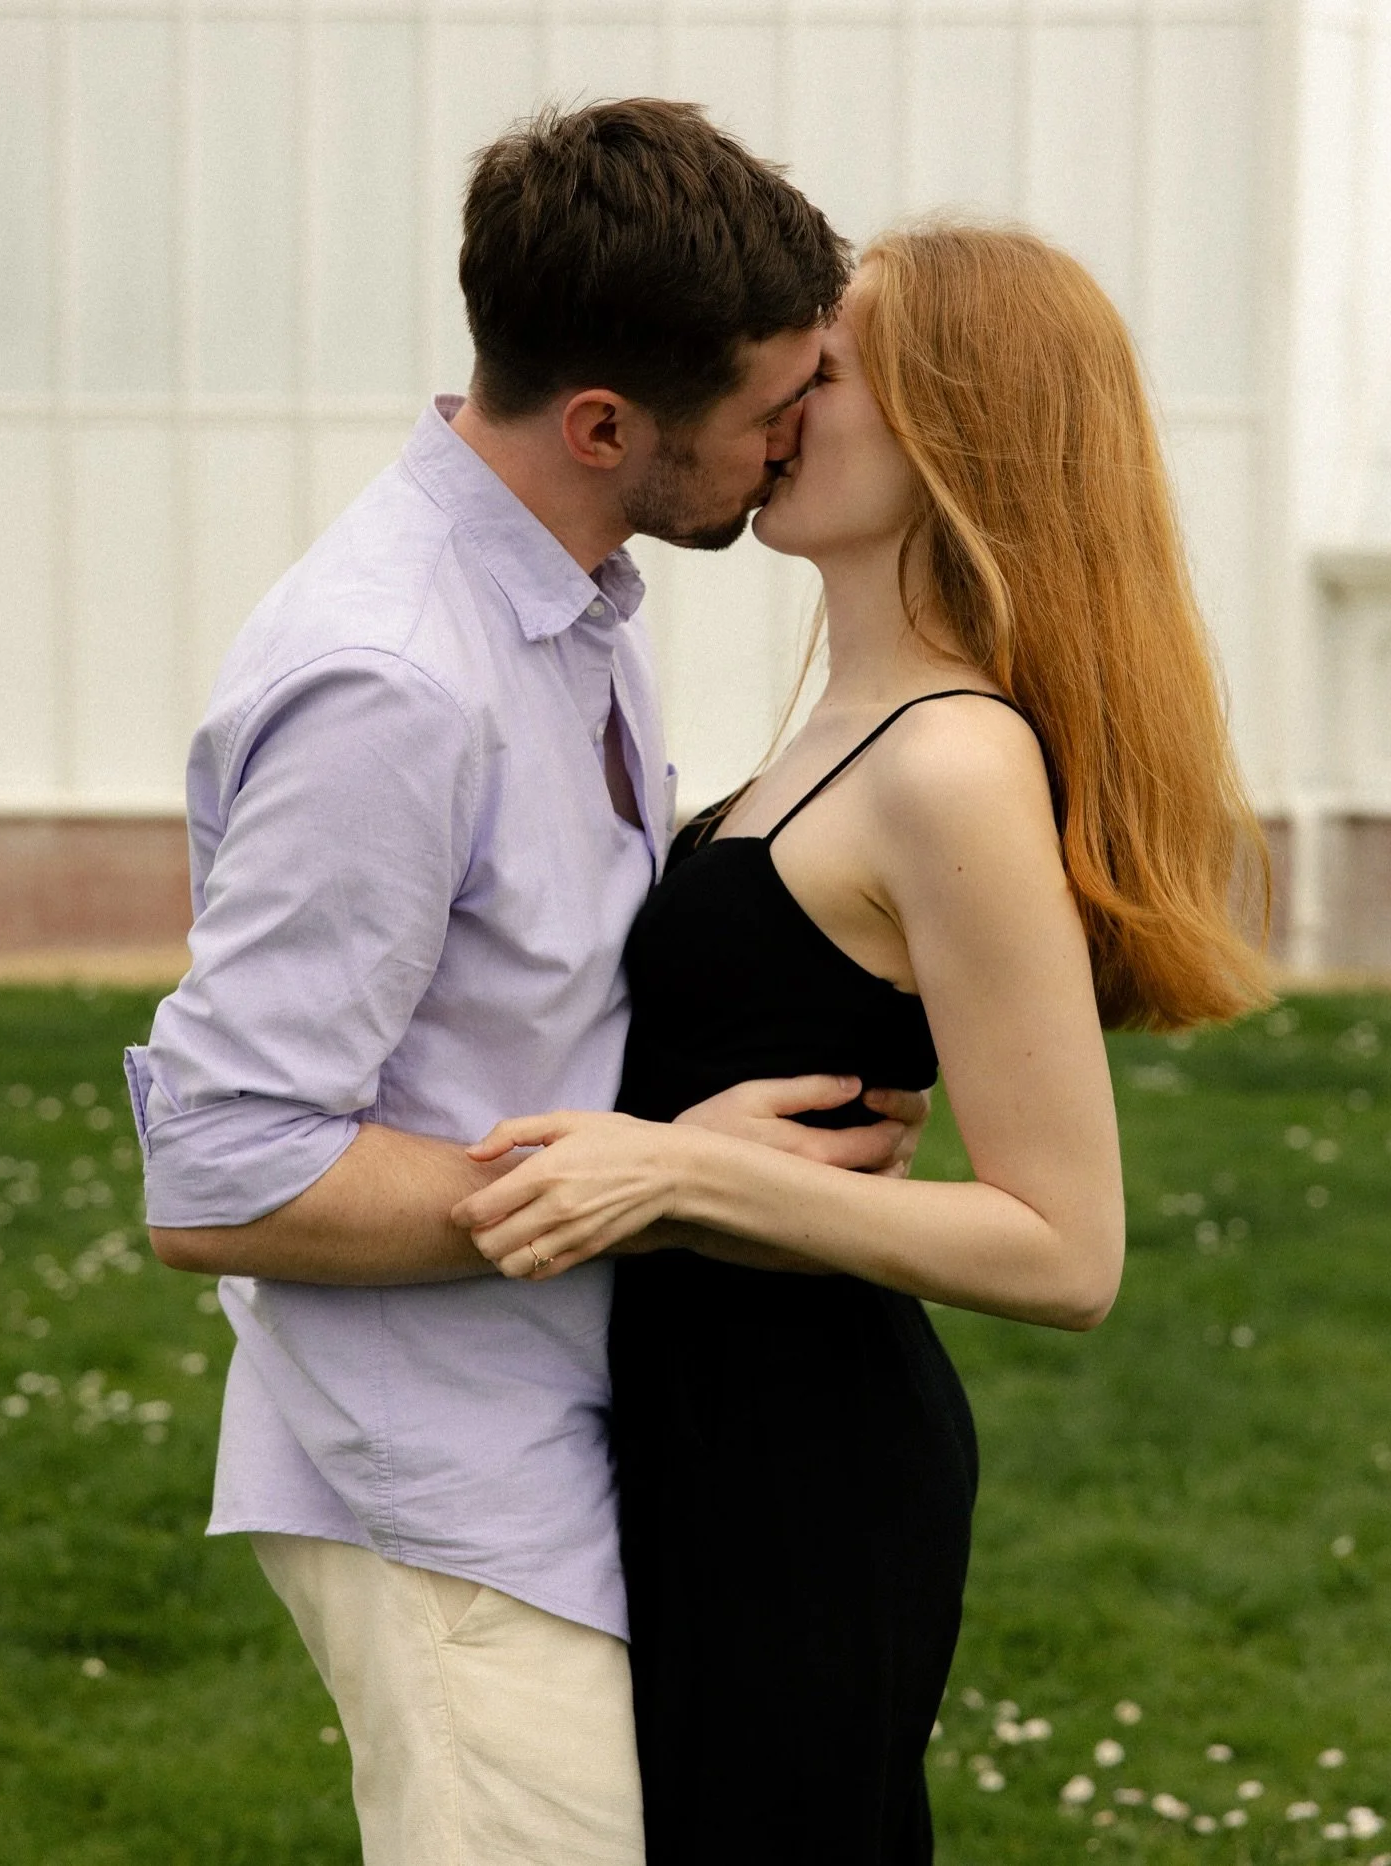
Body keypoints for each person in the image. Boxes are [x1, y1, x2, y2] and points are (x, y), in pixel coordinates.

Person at [126, 100, 930, 1866]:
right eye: (774, 402)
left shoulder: (569, 593)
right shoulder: (396, 680)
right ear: (602, 424)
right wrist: (659, 1183)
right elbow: (222, 1168)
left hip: (554, 1438)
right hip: (442, 1488)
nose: (798, 435)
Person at [457, 223, 1273, 1865]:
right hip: (689, 1431)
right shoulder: (826, 726)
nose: (771, 400)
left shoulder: (951, 761)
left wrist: (678, 1169)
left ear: (952, 427)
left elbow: (1066, 1247)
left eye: (822, 372)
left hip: (806, 1475)